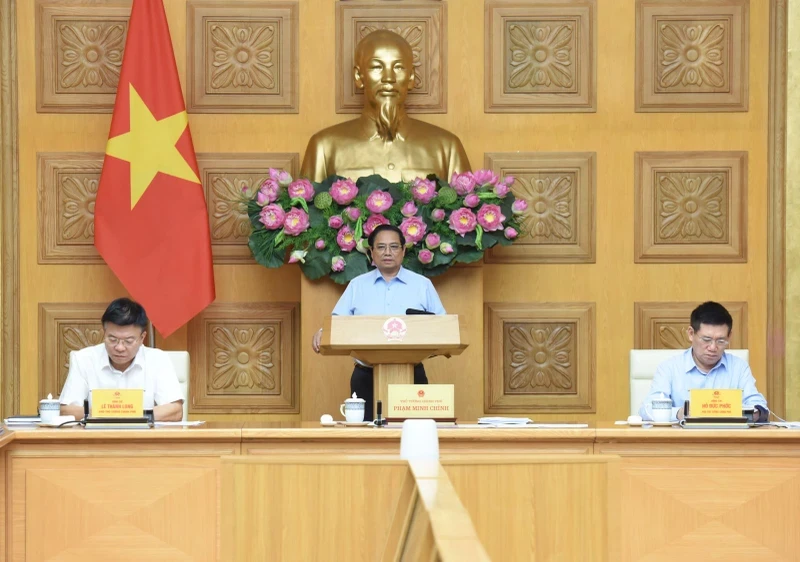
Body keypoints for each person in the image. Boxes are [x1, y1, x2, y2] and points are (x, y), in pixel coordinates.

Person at [311, 225, 445, 420]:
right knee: (365, 442)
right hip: (366, 375)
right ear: (371, 252)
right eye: (381, 247)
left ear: (403, 250)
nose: (387, 252)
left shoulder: (422, 285)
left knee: (415, 438)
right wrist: (323, 331)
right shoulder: (357, 285)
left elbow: (442, 326)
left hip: (411, 374)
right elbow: (338, 322)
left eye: (394, 247)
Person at [300, 29, 470, 183]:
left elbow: (465, 212)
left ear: (411, 78)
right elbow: (305, 214)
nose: (388, 78)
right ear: (359, 76)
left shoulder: (447, 148)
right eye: (377, 67)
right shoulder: (324, 147)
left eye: (398, 67)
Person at [639, 301, 768, 422]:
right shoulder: (669, 368)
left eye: (721, 341)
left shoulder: (739, 367)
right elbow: (646, 410)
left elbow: (760, 407)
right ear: (691, 334)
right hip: (683, 443)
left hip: (728, 441)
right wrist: (679, 413)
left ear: (730, 336)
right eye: (706, 339)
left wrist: (749, 413)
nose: (713, 347)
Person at [59, 298, 184, 422]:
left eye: (128, 341)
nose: (119, 347)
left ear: (142, 338)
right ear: (104, 333)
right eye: (112, 339)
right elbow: (67, 410)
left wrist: (131, 415)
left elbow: (175, 411)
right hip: (97, 438)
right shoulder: (84, 359)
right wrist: (108, 413)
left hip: (143, 439)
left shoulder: (158, 360)